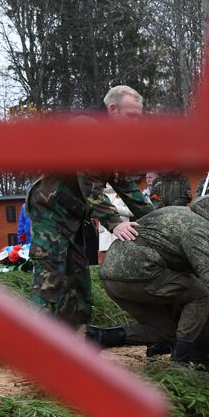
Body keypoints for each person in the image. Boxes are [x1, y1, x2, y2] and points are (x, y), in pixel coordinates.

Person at [86, 196, 209, 371]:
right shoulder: (200, 229)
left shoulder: (188, 216)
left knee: (165, 331)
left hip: (117, 278)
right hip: (137, 273)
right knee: (201, 294)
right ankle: (180, 364)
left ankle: (98, 337)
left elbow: (195, 273)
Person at [26, 89, 154, 328]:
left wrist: (157, 218)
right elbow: (90, 183)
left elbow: (125, 184)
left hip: (76, 214)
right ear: (112, 110)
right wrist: (115, 222)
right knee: (51, 275)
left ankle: (78, 339)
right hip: (51, 210)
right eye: (131, 116)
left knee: (79, 278)